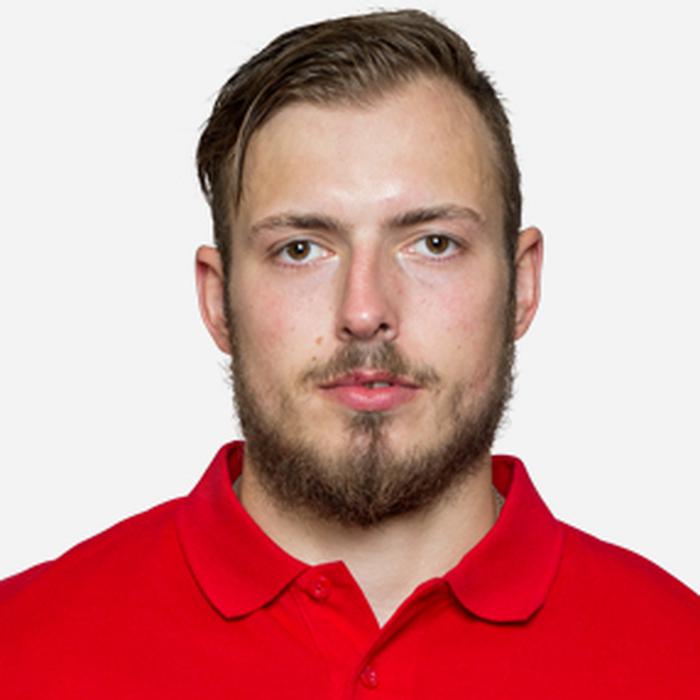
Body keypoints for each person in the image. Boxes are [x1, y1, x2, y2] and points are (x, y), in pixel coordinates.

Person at [1, 8, 697, 698]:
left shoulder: (680, 653)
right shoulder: (21, 648)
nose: (364, 312)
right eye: (301, 249)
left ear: (522, 286)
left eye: (433, 244)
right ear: (217, 300)